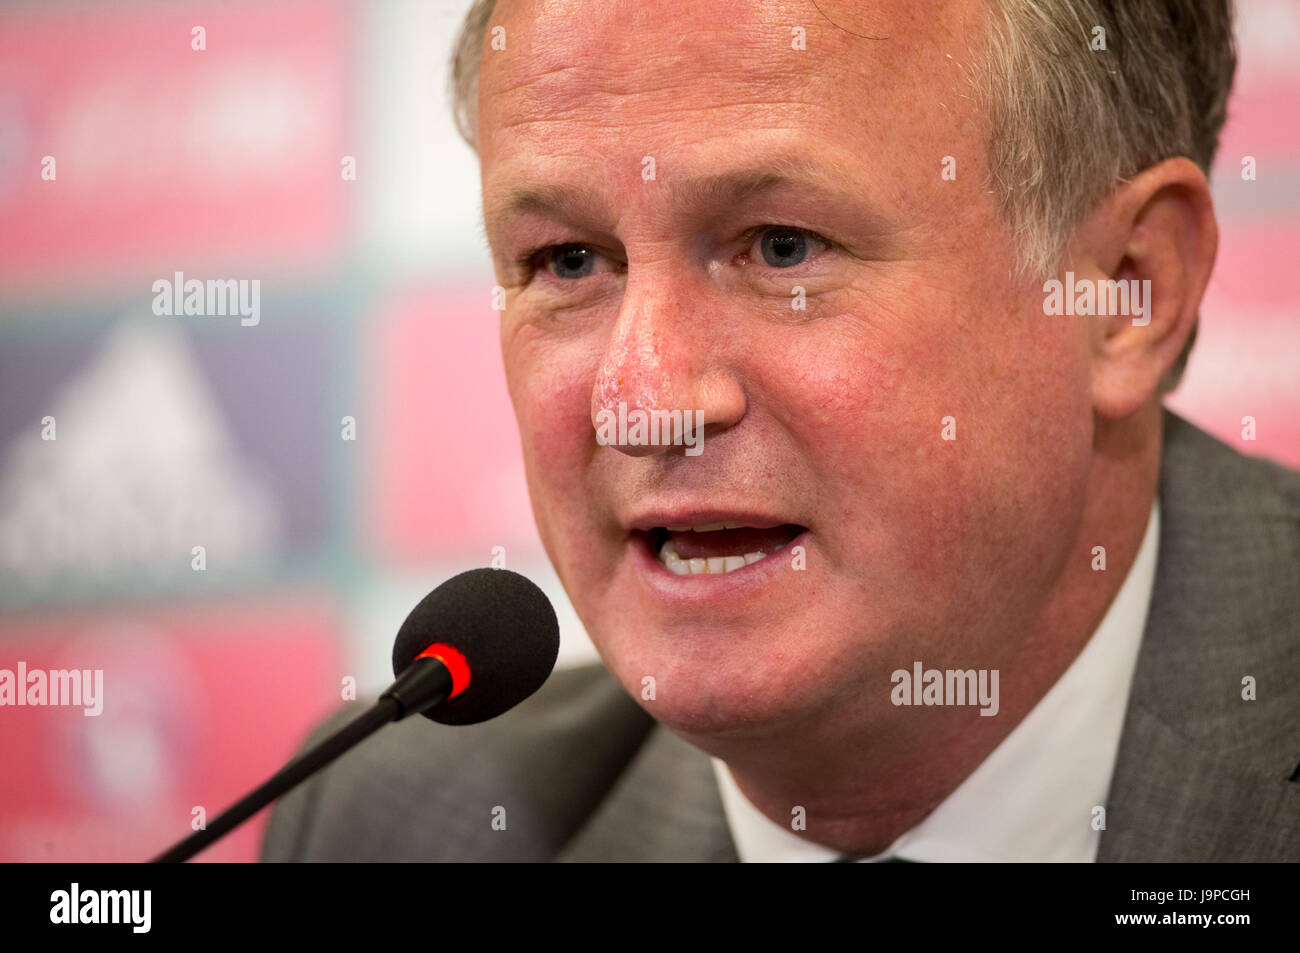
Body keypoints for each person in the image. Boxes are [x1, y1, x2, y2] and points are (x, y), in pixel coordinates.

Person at [262, 0, 1299, 862]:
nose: (641, 398)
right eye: (569, 261)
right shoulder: (387, 825)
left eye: (781, 245)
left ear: (1124, 290)